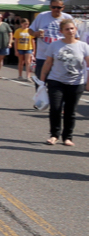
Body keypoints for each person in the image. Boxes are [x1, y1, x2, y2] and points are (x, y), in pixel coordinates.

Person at [40, 18, 89, 146]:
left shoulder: (83, 46)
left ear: (76, 30)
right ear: (61, 31)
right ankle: (54, 135)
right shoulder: (55, 45)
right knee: (55, 108)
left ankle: (67, 137)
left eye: (72, 28)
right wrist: (42, 81)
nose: (70, 31)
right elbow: (48, 63)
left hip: (76, 83)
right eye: (67, 29)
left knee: (70, 111)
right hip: (56, 81)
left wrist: (88, 82)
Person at [31, 0, 75, 79]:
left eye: (58, 7)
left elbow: (76, 36)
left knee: (58, 83)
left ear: (63, 7)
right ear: (50, 7)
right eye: (53, 7)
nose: (55, 9)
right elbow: (30, 30)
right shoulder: (42, 16)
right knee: (41, 83)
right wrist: (35, 34)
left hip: (61, 57)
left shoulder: (67, 18)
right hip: (43, 56)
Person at [14, 16, 35, 81]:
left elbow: (32, 41)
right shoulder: (18, 31)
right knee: (21, 62)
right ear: (21, 24)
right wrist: (16, 50)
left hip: (28, 48)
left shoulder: (30, 31)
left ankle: (28, 76)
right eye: (25, 24)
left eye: (27, 24)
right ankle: (20, 75)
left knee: (28, 62)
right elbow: (16, 41)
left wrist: (34, 50)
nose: (26, 25)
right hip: (20, 48)